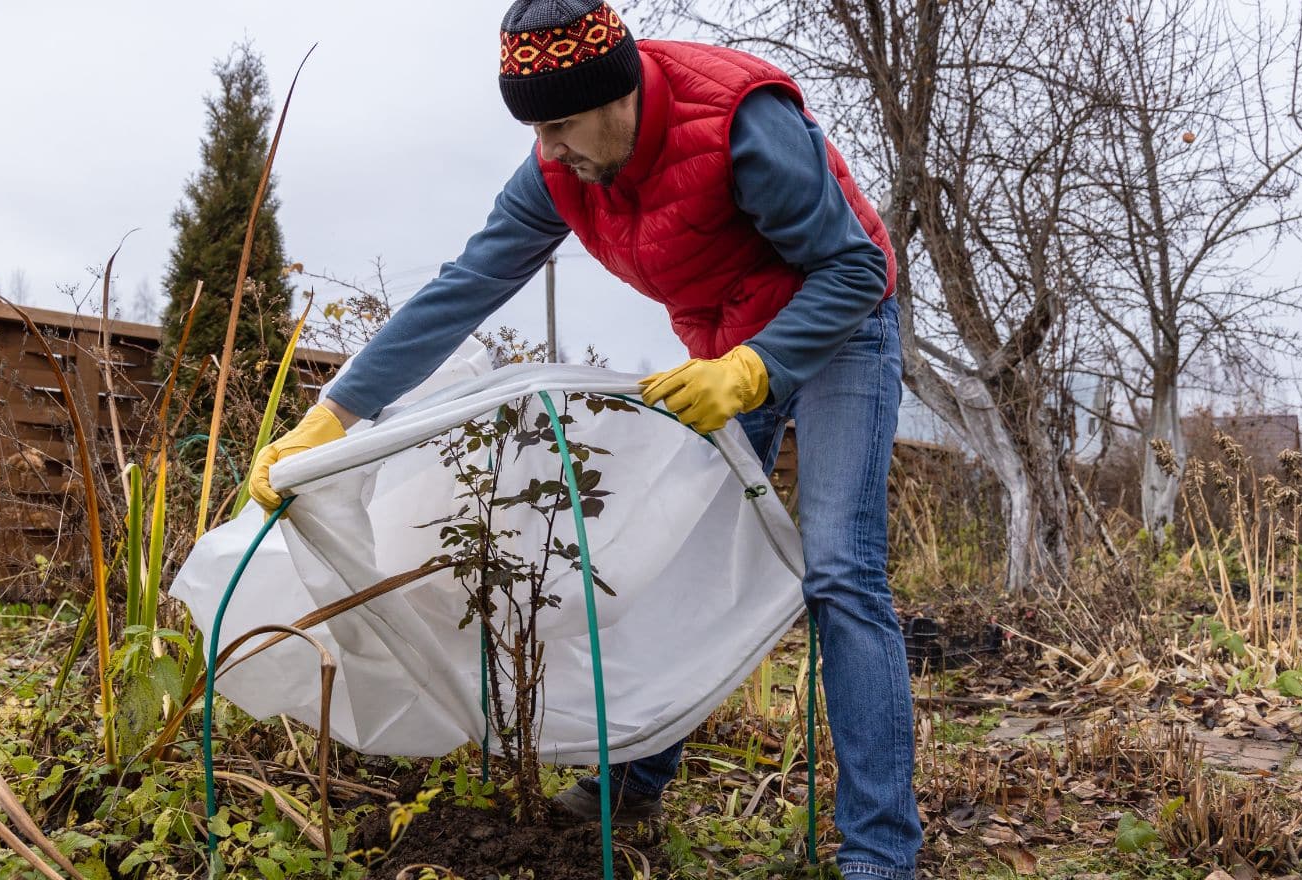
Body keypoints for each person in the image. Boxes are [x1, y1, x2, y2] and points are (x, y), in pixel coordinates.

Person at [248, 1, 921, 876]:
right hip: (724, 339)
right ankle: (633, 783)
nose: (548, 148)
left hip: (839, 325)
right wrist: (337, 413)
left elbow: (856, 266)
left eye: (559, 125)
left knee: (838, 569)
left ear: (618, 96)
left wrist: (756, 368)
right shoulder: (559, 170)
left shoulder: (741, 124)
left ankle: (879, 849)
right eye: (536, 130)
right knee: (679, 561)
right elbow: (466, 284)